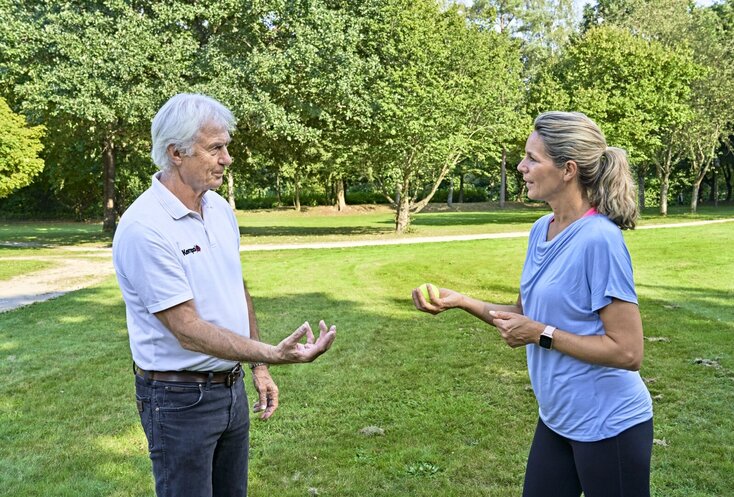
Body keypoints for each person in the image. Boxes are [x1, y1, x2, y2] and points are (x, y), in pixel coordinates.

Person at [412, 111, 653, 497]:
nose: (521, 167)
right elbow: (524, 315)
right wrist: (460, 301)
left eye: (532, 159)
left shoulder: (600, 240)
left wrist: (543, 335)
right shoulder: (542, 229)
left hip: (610, 425)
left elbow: (628, 351)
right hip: (557, 419)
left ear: (568, 169)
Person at [112, 93, 337, 497]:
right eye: (216, 148)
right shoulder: (144, 228)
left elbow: (235, 285)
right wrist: (271, 354)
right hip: (179, 399)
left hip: (229, 387)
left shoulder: (217, 208)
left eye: (226, 147)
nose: (227, 159)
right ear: (176, 153)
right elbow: (187, 330)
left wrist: (257, 369)